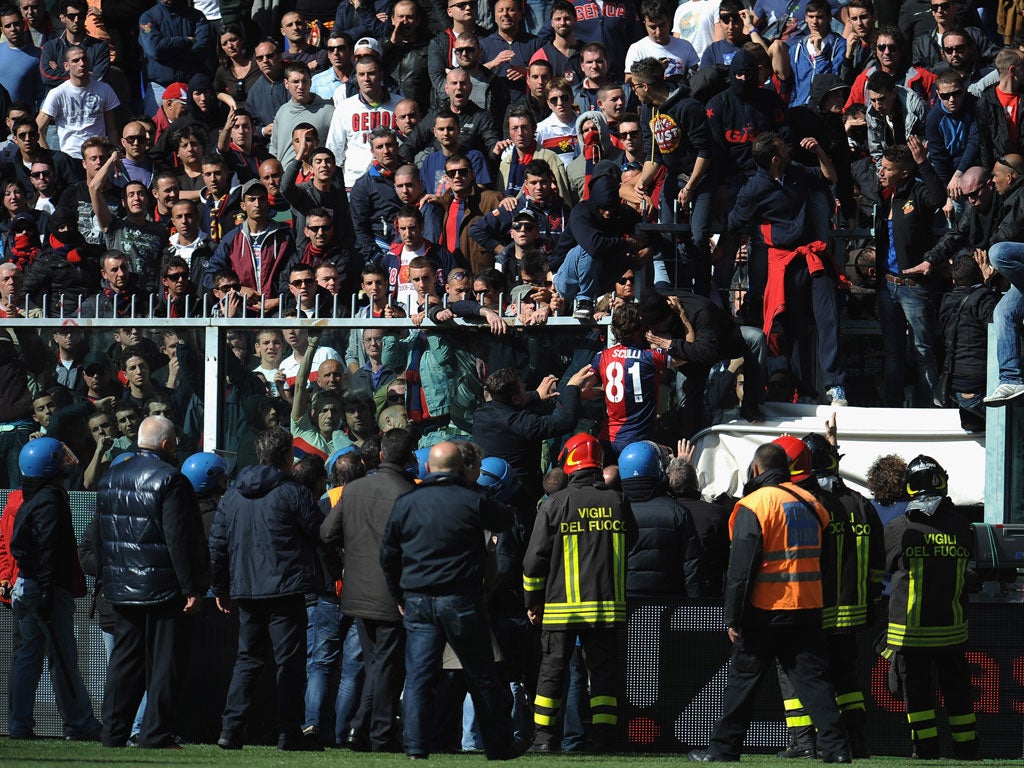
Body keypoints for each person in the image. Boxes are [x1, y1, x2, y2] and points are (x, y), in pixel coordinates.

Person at [688, 439, 850, 764]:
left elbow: (740, 570)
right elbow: (830, 563)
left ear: (757, 468)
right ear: (787, 469)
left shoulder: (754, 505)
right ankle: (837, 748)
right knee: (814, 683)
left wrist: (732, 617)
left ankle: (724, 749)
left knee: (742, 685)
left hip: (764, 611)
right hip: (806, 608)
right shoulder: (813, 504)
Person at [380, 441, 521, 761]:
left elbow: (388, 553)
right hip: (461, 599)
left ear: (427, 468)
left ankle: (416, 746)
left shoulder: (407, 502)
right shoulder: (473, 500)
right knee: (481, 675)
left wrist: (398, 594)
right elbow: (505, 520)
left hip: (417, 598)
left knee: (418, 676)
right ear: (461, 468)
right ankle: (499, 745)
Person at [96, 415, 208, 749]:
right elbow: (179, 538)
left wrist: (107, 577)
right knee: (165, 661)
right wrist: (191, 587)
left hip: (121, 584)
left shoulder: (111, 476)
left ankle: (112, 732)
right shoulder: (171, 480)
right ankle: (155, 732)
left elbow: (103, 532)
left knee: (125, 663)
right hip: (162, 586)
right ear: (166, 444)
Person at [210, 426, 324, 751]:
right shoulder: (294, 493)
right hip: (285, 589)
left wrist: (221, 588)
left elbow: (217, 544)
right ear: (288, 456)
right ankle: (289, 732)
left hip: (246, 588)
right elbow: (320, 533)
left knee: (248, 660)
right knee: (289, 663)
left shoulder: (232, 495)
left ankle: (231, 729)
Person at [523, 432, 638, 752]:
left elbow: (534, 561)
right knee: (603, 675)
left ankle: (543, 739)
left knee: (552, 673)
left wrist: (533, 601)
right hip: (607, 607)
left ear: (569, 461)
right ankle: (603, 739)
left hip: (562, 608)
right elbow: (633, 542)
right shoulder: (618, 501)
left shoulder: (555, 504)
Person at [319, 427, 417, 752]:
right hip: (394, 594)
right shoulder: (411, 494)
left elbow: (327, 533)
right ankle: (374, 732)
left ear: (381, 455)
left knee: (377, 665)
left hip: (357, 591)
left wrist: (351, 555)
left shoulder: (355, 489)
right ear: (411, 458)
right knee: (386, 667)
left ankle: (360, 731)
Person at [883, 455, 978, 759]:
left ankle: (925, 750)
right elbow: (974, 575)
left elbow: (881, 571)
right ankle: (966, 749)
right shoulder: (962, 526)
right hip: (952, 632)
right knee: (958, 693)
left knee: (918, 694)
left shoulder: (900, 528)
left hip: (911, 635)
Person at [8, 437, 101, 741]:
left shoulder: (25, 498)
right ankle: (80, 722)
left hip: (28, 585)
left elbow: (18, 546)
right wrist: (47, 591)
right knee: (62, 658)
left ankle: (19, 724)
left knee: (27, 656)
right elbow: (48, 550)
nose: (67, 462)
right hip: (47, 588)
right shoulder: (50, 500)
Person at [619, 440, 702, 598]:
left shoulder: (614, 510)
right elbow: (691, 564)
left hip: (624, 601)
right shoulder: (676, 511)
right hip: (668, 600)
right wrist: (693, 603)